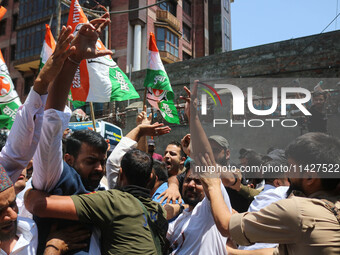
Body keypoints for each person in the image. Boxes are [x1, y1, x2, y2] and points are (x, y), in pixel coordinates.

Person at [31, 13, 113, 254]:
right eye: (90, 161)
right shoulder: (55, 177)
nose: (99, 169)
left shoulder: (104, 194)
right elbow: (52, 123)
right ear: (68, 160)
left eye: (102, 161)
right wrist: (74, 60)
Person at [0, 23, 78, 254]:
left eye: (12, 203)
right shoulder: (52, 240)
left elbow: (21, 148)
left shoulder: (32, 228)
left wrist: (41, 84)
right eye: (0, 210)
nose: (12, 214)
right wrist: (52, 250)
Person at [201, 132, 340, 255]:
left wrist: (213, 186)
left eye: (291, 168)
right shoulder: (332, 206)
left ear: (309, 177)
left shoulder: (298, 210)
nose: (287, 174)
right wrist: (233, 252)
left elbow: (226, 226)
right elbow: (276, 252)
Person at [25, 149, 169, 255]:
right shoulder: (159, 210)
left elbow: (38, 205)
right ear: (151, 178)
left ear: (120, 174)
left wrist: (26, 191)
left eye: (101, 162)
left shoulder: (111, 201)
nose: (99, 168)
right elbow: (175, 208)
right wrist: (174, 183)